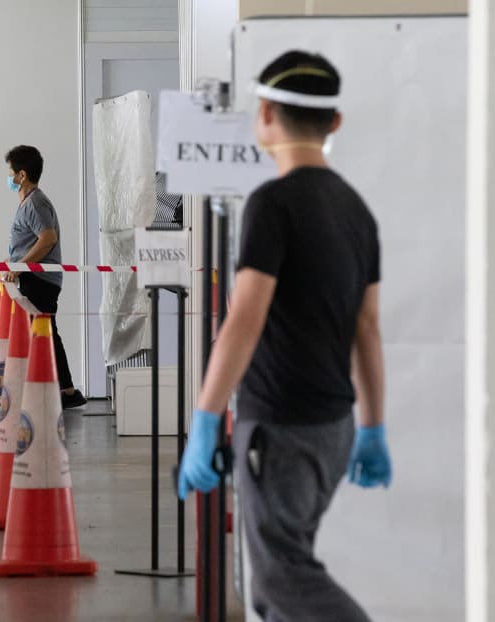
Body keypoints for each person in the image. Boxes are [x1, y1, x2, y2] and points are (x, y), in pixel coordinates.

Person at [177, 51, 392, 622]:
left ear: (265, 113)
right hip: (334, 429)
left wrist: (204, 418)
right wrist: (372, 427)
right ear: (334, 123)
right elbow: (366, 329)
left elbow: (244, 319)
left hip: (282, 428)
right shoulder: (356, 211)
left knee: (280, 581)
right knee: (283, 587)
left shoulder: (273, 203)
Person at [3, 145, 86, 409]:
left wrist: (21, 266)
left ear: (22, 175)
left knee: (40, 334)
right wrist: (12, 262)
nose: (9, 177)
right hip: (35, 278)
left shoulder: (36, 202)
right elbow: (30, 241)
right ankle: (65, 391)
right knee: (45, 333)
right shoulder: (29, 203)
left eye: (11, 172)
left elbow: (48, 239)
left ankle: (58, 391)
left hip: (39, 280)